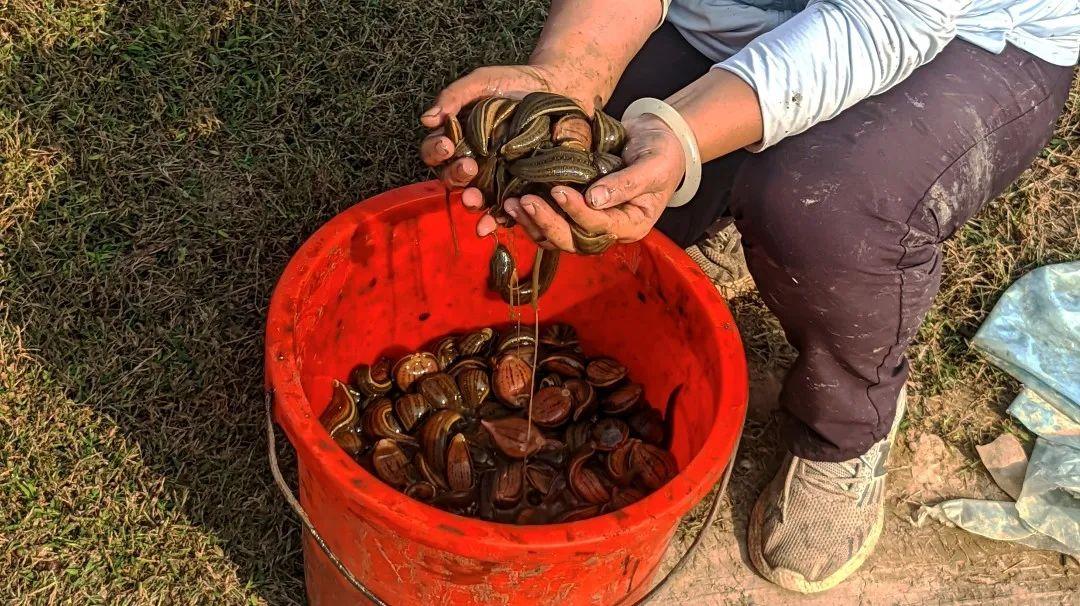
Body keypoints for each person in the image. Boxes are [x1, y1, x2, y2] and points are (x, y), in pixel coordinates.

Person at [419, 0, 1078, 593]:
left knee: (821, 208)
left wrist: (680, 136)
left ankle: (848, 425)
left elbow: (882, 23)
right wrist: (570, 76)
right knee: (586, 171)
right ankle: (743, 198)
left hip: (963, 37)